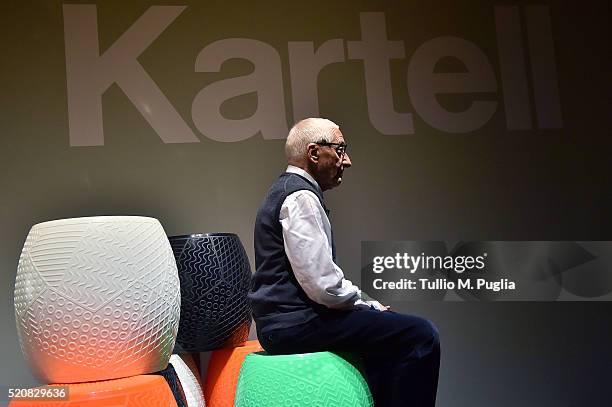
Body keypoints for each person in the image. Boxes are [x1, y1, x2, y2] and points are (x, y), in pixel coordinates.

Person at [249, 118, 440, 407]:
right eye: (340, 149)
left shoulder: (289, 191)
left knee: (384, 340)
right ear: (314, 153)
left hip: (282, 324)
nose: (346, 161)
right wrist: (371, 305)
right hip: (295, 325)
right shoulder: (301, 196)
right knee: (421, 334)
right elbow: (323, 287)